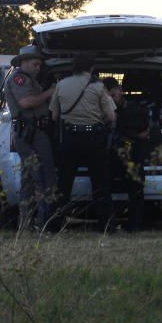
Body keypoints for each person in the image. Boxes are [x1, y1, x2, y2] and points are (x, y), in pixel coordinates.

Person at [49, 53, 116, 231]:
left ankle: (55, 224)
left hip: (70, 138)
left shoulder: (61, 85)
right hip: (94, 139)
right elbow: (110, 116)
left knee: (64, 183)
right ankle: (105, 225)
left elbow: (54, 116)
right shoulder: (99, 87)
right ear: (92, 68)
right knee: (100, 182)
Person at [3, 45, 57, 231]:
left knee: (29, 181)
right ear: (23, 62)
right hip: (31, 135)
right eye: (35, 64)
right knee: (44, 177)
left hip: (32, 133)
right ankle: (45, 225)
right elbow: (26, 102)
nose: (38, 68)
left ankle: (25, 224)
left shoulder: (28, 79)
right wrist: (50, 92)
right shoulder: (19, 79)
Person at [103, 77, 149, 232]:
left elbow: (146, 131)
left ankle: (135, 223)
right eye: (107, 97)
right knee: (103, 186)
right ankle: (108, 223)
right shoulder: (97, 112)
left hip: (132, 153)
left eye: (114, 95)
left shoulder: (135, 110)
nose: (112, 100)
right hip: (109, 155)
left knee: (135, 188)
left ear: (120, 91)